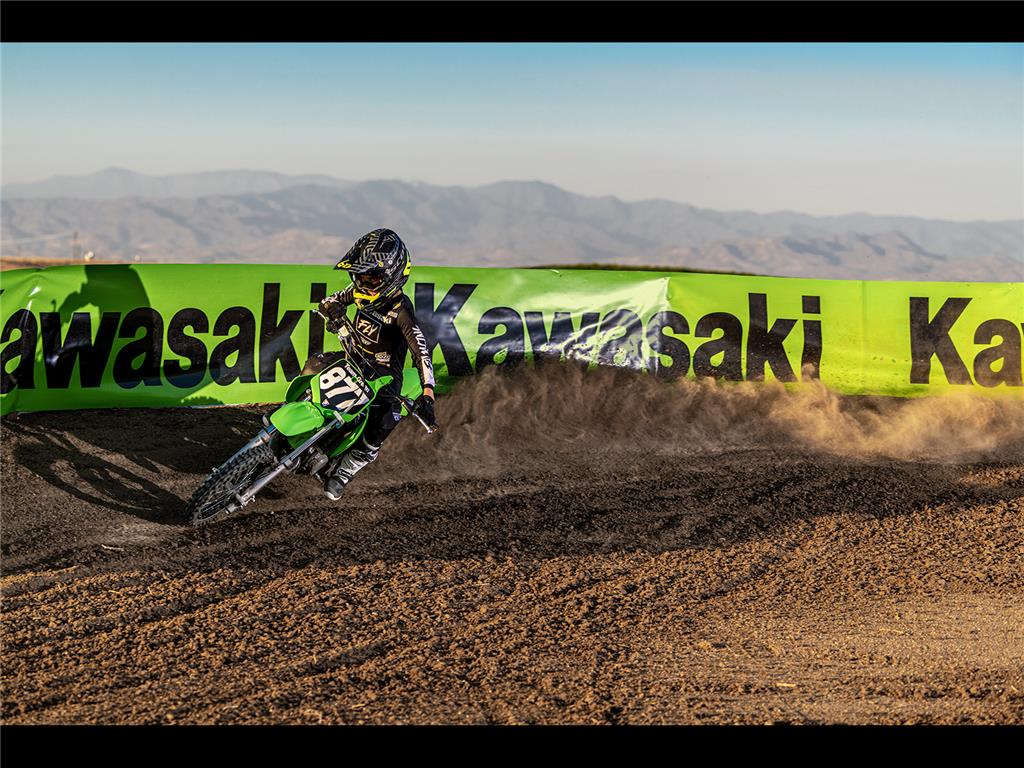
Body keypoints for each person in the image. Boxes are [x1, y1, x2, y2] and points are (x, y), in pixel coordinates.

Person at [305, 228, 436, 500]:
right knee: (313, 366)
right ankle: (292, 419)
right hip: (352, 361)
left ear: (392, 275)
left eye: (372, 278)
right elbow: (327, 301)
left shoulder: (401, 310)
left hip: (384, 378)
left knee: (387, 419)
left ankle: (345, 471)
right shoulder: (357, 292)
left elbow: (421, 351)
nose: (364, 284)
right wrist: (332, 310)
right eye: (361, 277)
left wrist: (428, 394)